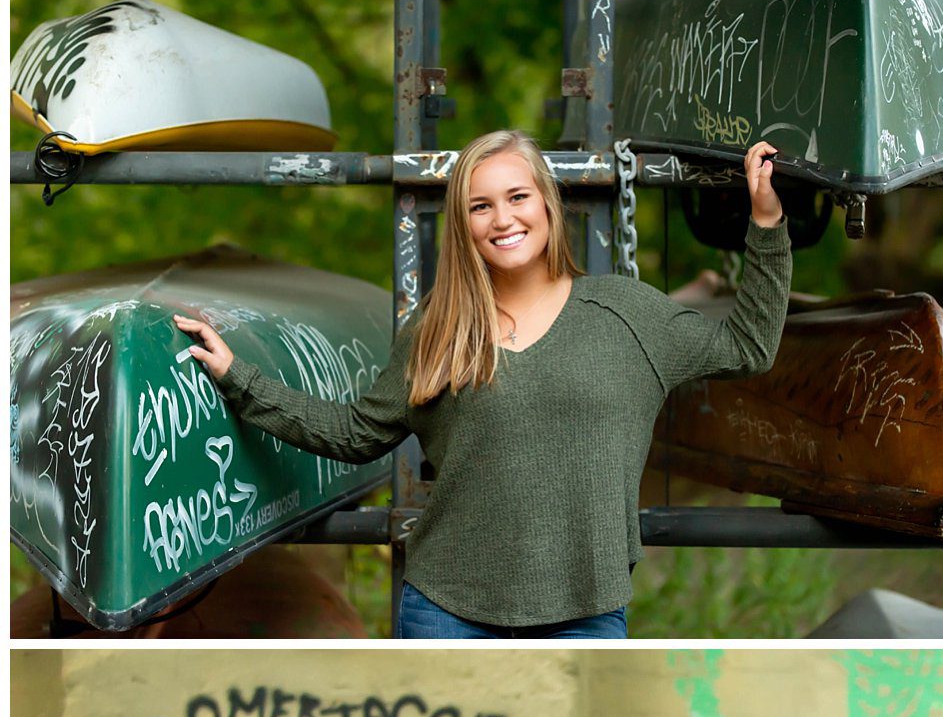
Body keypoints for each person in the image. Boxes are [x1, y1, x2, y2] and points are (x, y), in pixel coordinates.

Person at [174, 129, 791, 640]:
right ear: (462, 224)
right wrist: (239, 378)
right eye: (480, 205)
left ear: (548, 203)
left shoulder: (629, 314)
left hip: (585, 615)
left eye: (518, 196)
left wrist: (766, 223)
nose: (503, 219)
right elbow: (356, 432)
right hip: (445, 613)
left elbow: (749, 346)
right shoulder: (438, 329)